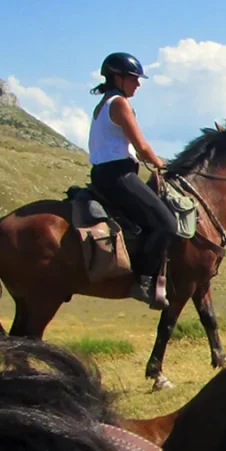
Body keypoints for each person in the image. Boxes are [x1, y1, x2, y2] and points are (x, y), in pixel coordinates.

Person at [88, 52, 176, 309]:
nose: (138, 84)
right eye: (134, 78)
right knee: (167, 224)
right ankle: (144, 282)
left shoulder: (104, 103)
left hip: (106, 174)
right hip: (118, 175)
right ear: (118, 77)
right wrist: (162, 165)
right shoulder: (119, 103)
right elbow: (142, 147)